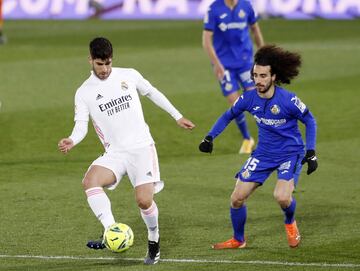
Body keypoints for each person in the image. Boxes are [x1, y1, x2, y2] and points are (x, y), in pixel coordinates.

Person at [58, 37, 195, 265]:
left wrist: (177, 116)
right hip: (115, 153)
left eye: (108, 63)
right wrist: (72, 139)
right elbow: (81, 124)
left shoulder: (129, 75)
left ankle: (154, 241)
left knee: (143, 201)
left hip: (141, 148)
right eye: (100, 64)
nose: (104, 69)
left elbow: (152, 92)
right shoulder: (84, 92)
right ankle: (111, 230)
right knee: (90, 181)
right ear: (90, 60)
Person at [199, 45, 318, 249]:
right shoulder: (248, 98)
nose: (258, 80)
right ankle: (238, 240)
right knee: (236, 198)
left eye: (263, 76)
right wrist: (209, 137)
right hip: (263, 154)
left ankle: (290, 223)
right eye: (255, 75)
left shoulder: (287, 100)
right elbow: (228, 115)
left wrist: (311, 152)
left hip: (290, 154)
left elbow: (310, 120)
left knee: (281, 197)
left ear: (273, 76)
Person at [202, 0, 264, 154]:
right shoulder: (214, 9)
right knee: (235, 103)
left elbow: (255, 29)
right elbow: (206, 40)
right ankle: (247, 138)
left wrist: (264, 55)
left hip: (245, 62)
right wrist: (216, 64)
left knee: (255, 99)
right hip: (224, 65)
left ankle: (268, 139)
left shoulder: (246, 6)